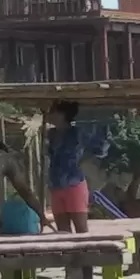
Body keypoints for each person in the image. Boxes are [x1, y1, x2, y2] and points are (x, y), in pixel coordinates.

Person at [47, 100, 109, 233]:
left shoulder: (77, 133)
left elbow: (101, 147)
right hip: (56, 185)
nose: (50, 114)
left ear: (62, 114)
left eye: (53, 111)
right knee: (62, 231)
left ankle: (85, 253)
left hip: (74, 184)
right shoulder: (51, 134)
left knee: (81, 229)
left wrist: (82, 161)